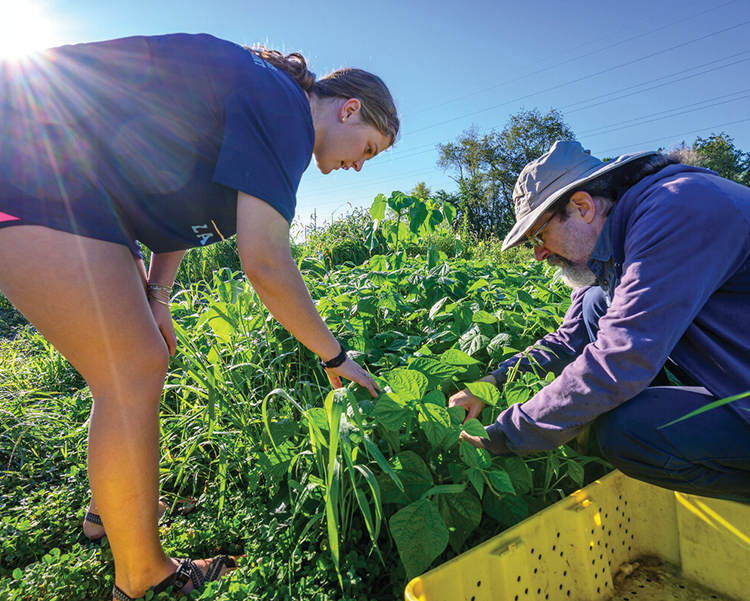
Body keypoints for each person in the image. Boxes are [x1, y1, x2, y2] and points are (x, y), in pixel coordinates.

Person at [0, 33, 396, 600]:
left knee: (139, 360)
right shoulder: (285, 109)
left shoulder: (263, 100)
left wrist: (157, 299)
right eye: (370, 148)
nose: (361, 165)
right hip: (34, 170)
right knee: (131, 370)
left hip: (78, 190)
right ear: (348, 108)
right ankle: (143, 577)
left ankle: (108, 515)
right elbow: (264, 263)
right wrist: (333, 356)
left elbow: (177, 200)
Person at [450, 140, 750, 501]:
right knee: (596, 302)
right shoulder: (618, 240)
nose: (538, 254)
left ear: (582, 206)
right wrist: (490, 384)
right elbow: (569, 339)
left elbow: (620, 360)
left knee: (630, 432)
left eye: (539, 235)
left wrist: (507, 433)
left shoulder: (676, 209)